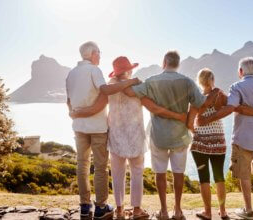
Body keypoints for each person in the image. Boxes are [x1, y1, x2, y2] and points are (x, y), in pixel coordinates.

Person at [70, 56, 187, 220]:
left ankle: (119, 210)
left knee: (117, 174)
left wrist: (78, 113)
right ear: (128, 70)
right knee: (137, 173)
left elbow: (99, 106)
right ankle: (137, 210)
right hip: (135, 137)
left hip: (116, 136)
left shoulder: (110, 86)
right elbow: (150, 104)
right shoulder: (137, 85)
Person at [123, 51, 220, 220]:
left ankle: (164, 211)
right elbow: (200, 103)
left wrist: (133, 81)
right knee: (178, 173)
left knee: (160, 173)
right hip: (180, 136)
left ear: (164, 62)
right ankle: (178, 210)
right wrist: (189, 121)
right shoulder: (188, 82)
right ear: (178, 63)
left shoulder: (152, 81)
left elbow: (130, 93)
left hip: (158, 135)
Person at [66, 41, 141, 219]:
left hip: (78, 127)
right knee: (100, 167)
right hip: (97, 127)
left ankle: (85, 206)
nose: (100, 55)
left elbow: (68, 100)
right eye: (99, 52)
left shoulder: (71, 73)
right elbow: (106, 90)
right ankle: (100, 207)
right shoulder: (94, 70)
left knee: (82, 165)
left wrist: (74, 113)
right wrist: (132, 81)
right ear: (92, 54)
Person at [197, 57, 253, 219]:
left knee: (244, 174)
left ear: (240, 71)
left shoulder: (237, 87)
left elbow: (231, 108)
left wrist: (207, 120)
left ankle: (248, 210)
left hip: (243, 138)